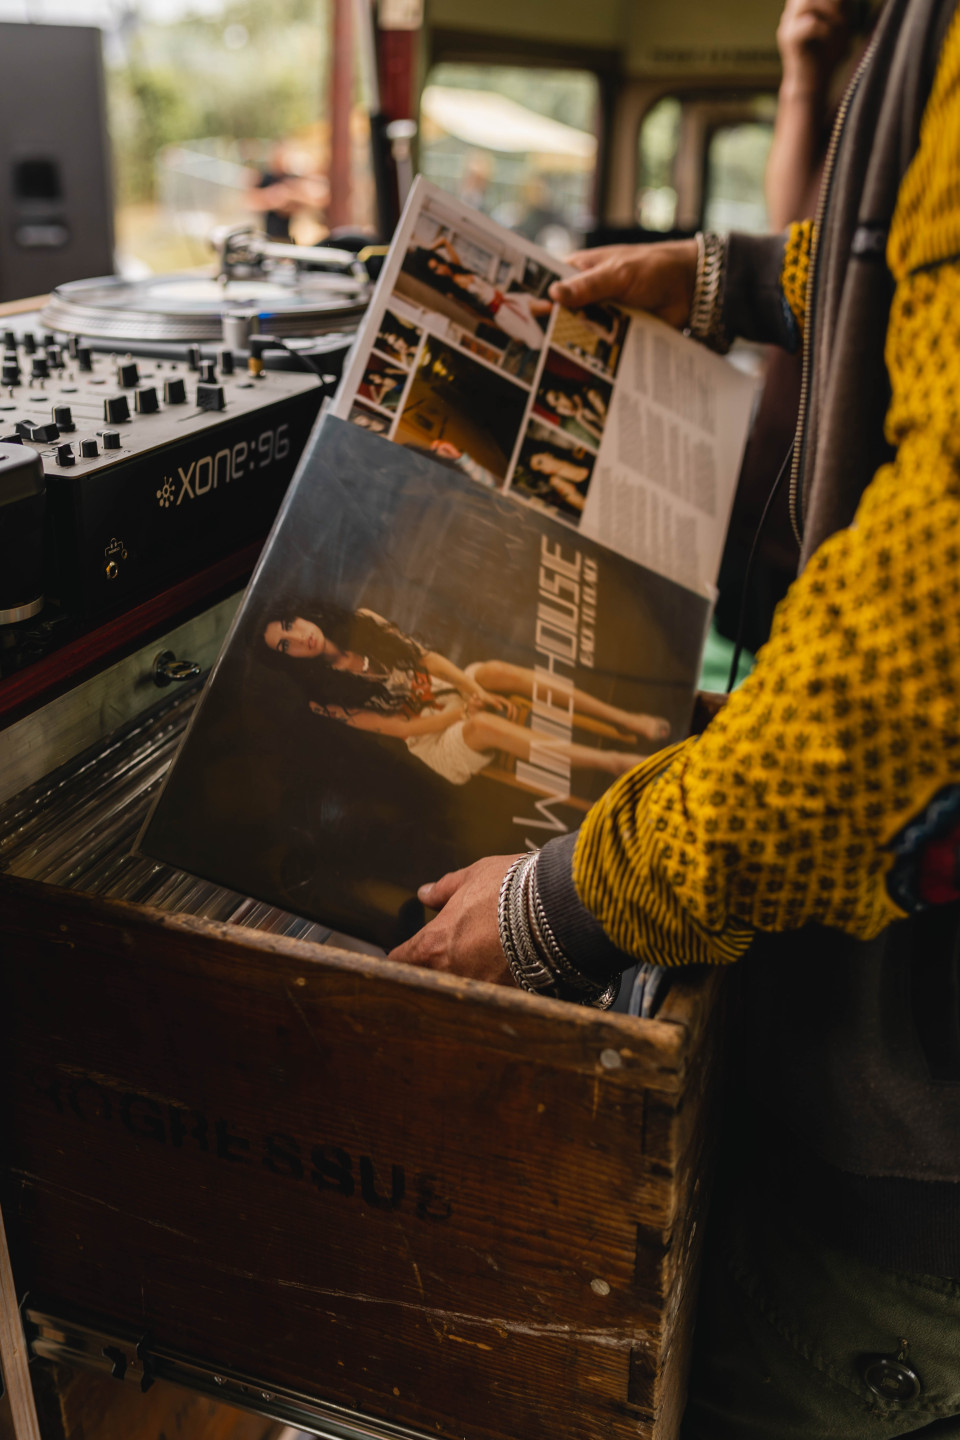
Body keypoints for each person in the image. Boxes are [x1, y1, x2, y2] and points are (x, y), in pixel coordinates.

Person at [389, 0, 960, 1432]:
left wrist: (564, 904)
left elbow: (918, 657)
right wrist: (730, 279)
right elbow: (911, 261)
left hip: (914, 1157)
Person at [261, 605, 670, 788]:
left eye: (288, 624)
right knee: (480, 724)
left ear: (299, 613)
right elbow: (401, 726)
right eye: (285, 646)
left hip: (444, 691)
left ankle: (625, 719)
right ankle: (613, 762)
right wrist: (463, 713)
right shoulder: (323, 701)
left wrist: (472, 689)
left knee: (492, 671)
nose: (299, 637)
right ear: (290, 661)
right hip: (430, 737)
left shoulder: (362, 620)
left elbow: (426, 658)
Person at [406, 235, 553, 351]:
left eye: (439, 263)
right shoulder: (452, 292)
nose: (441, 269)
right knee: (538, 342)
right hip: (503, 315)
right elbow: (477, 315)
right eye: (435, 270)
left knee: (547, 307)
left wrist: (426, 252)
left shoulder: (458, 269)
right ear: (433, 275)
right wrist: (506, 332)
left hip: (508, 299)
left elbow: (444, 241)